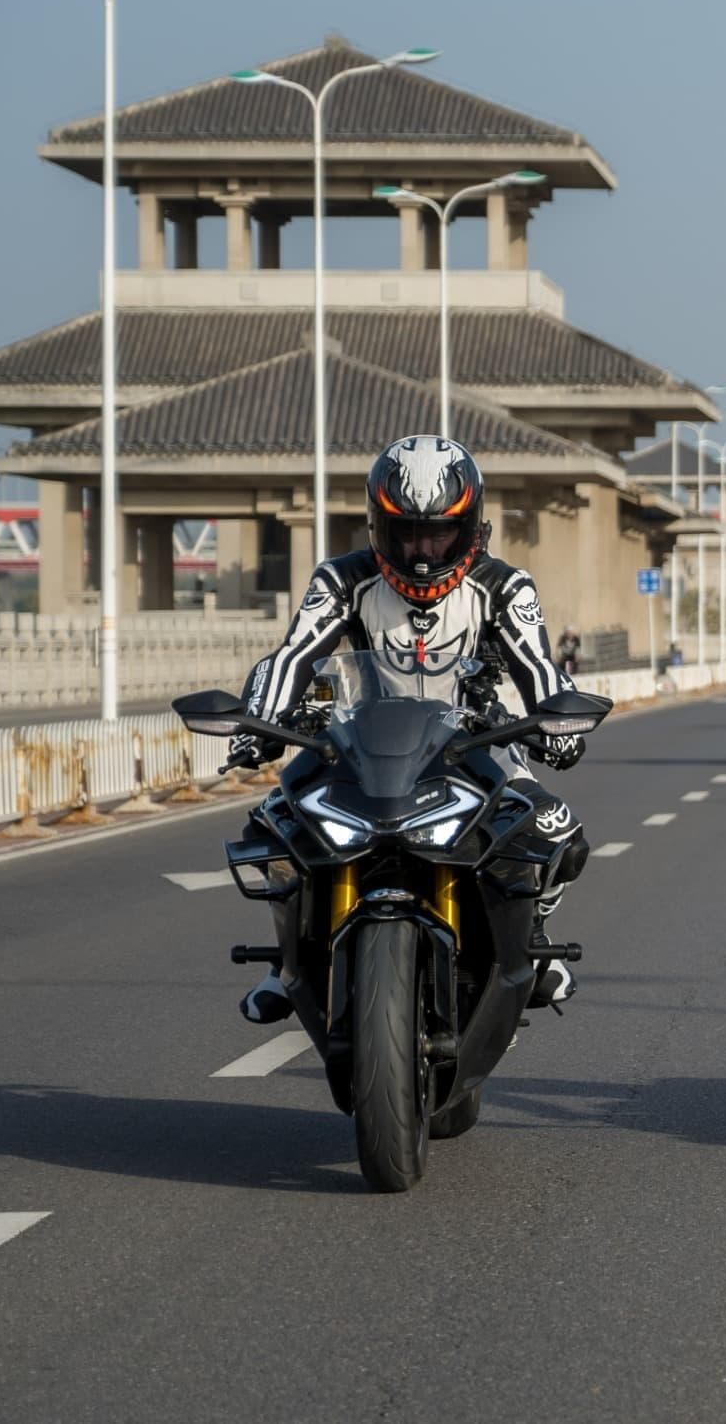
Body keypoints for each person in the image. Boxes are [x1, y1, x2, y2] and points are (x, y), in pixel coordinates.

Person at [229, 436, 587, 1020]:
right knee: (275, 820)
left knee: (556, 829)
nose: (422, 552)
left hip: (475, 744)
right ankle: (288, 963)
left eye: (438, 533)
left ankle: (534, 939)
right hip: (356, 742)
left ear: (470, 525)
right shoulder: (341, 579)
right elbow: (292, 657)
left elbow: (540, 669)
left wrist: (559, 722)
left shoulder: (505, 586)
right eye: (407, 532)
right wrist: (258, 722)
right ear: (377, 525)